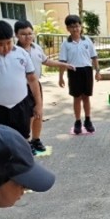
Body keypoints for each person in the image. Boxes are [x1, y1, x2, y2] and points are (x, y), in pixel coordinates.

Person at [0, 21, 42, 140]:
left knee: (21, 139)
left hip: (21, 105)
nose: (5, 48)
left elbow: (32, 80)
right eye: (0, 44)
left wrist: (38, 104)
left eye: (8, 43)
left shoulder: (21, 53)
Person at [14, 20, 73, 155]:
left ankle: (36, 139)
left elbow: (46, 61)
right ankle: (26, 142)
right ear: (16, 35)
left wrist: (62, 64)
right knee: (28, 116)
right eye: (23, 34)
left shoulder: (36, 48)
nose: (27, 37)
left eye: (30, 33)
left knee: (38, 113)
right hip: (22, 87)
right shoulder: (15, 51)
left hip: (36, 85)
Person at [57, 15, 101, 135]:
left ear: (81, 26)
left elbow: (94, 57)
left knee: (86, 97)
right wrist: (60, 77)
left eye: (77, 26)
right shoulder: (65, 44)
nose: (75, 29)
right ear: (67, 29)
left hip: (87, 70)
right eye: (72, 27)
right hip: (73, 71)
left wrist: (97, 71)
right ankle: (77, 121)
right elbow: (62, 62)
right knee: (76, 97)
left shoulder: (87, 40)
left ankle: (88, 120)